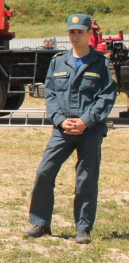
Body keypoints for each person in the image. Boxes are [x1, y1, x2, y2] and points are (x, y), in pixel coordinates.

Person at [25, 14, 116, 244]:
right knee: (44, 172)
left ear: (89, 34)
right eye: (71, 32)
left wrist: (86, 120)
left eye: (80, 32)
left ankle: (83, 228)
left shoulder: (103, 62)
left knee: (85, 178)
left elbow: (106, 97)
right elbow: (51, 94)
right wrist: (59, 120)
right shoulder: (58, 61)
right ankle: (41, 223)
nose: (75, 36)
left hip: (90, 129)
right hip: (62, 129)